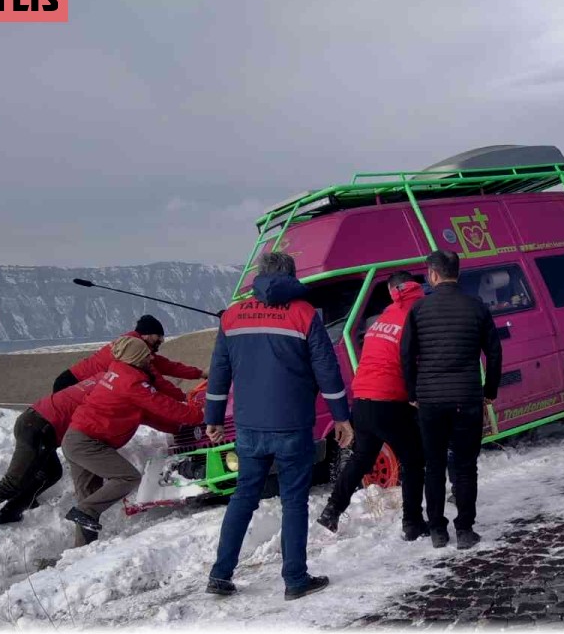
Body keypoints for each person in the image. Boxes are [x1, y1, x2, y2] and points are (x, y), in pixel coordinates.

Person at [204, 251, 354, 602]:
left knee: (243, 497)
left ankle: (220, 574)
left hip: (249, 428)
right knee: (293, 501)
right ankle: (295, 579)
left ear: (259, 276)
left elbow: (219, 372)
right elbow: (327, 371)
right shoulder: (304, 314)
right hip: (292, 426)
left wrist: (212, 419)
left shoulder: (233, 316)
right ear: (291, 275)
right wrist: (342, 416)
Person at [400, 250, 502, 550]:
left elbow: (406, 355)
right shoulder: (477, 307)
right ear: (457, 273)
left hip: (430, 401)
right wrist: (490, 391)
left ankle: (437, 531)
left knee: (434, 466)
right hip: (467, 398)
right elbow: (494, 353)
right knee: (465, 465)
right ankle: (466, 530)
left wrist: (412, 393)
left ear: (432, 274)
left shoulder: (419, 310)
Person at [317, 271, 428, 541]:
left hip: (363, 399)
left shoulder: (384, 316)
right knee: (414, 460)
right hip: (389, 399)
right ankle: (412, 523)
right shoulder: (418, 315)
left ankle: (332, 510)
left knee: (362, 457)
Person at [62, 336, 203, 545]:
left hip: (76, 439)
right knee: (126, 478)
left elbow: (147, 414)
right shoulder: (132, 382)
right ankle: (84, 513)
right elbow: (164, 406)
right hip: (87, 442)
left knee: (89, 498)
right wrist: (198, 415)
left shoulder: (118, 373)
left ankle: (82, 550)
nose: (149, 359)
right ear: (136, 357)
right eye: (146, 355)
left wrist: (179, 428)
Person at [0, 378, 97, 542]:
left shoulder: (102, 379)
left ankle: (11, 510)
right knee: (12, 482)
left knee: (52, 472)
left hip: (38, 424)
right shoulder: (108, 392)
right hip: (38, 429)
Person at [52, 314, 207, 399]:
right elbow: (157, 379)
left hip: (71, 380)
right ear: (146, 335)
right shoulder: (132, 351)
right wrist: (183, 397)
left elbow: (166, 365)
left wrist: (200, 373)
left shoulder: (133, 344)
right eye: (158, 336)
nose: (161, 340)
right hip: (74, 385)